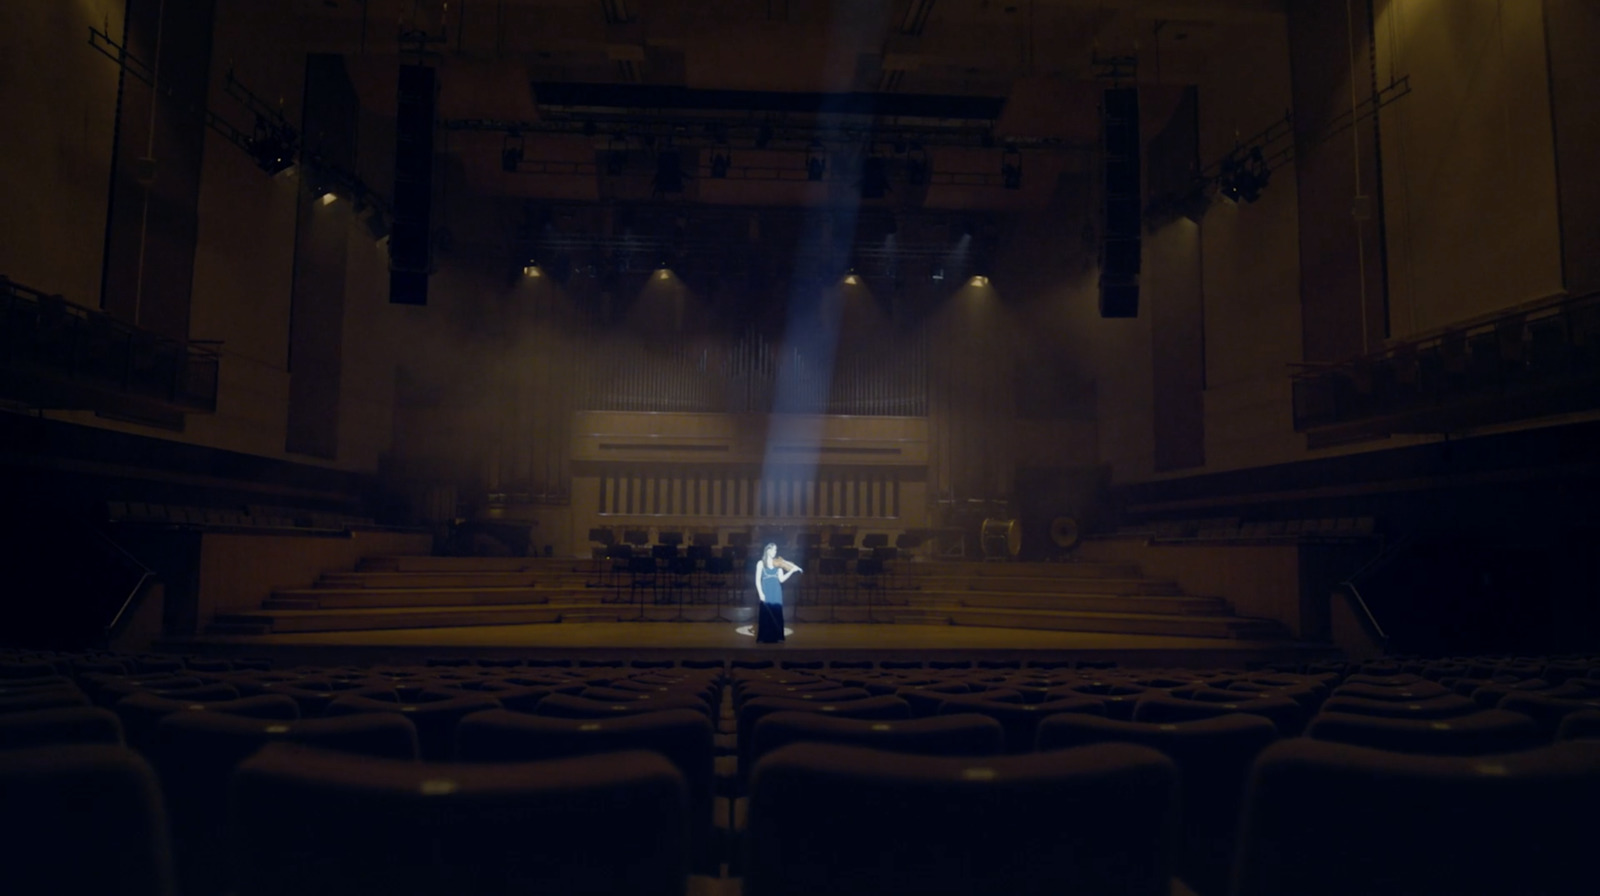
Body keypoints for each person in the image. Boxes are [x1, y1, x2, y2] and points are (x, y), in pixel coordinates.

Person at [755, 542, 801, 643]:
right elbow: (757, 580)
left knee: (777, 613)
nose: (775, 552)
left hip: (776, 592)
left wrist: (791, 571)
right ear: (768, 550)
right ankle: (764, 637)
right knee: (765, 614)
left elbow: (781, 579)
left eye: (776, 550)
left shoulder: (778, 564)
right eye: (773, 550)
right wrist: (761, 593)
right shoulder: (760, 563)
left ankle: (777, 636)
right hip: (766, 591)